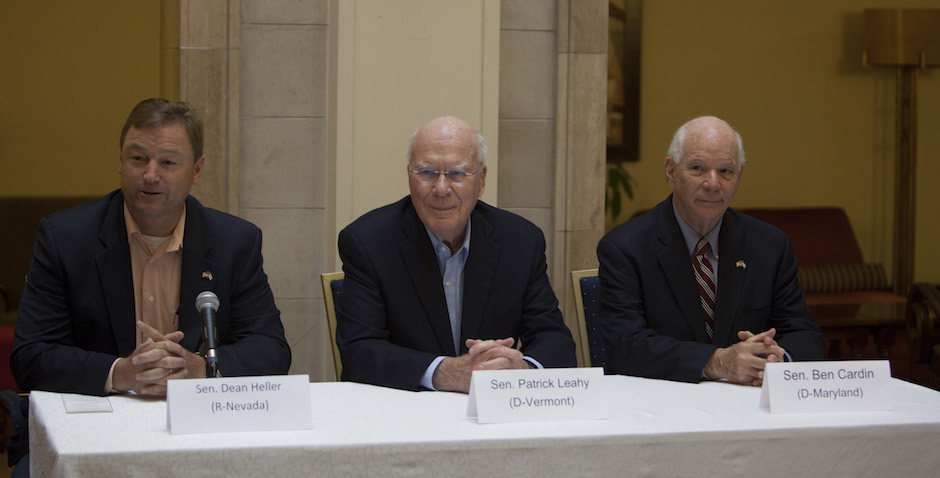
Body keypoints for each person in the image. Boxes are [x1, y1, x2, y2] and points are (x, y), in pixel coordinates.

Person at [11, 98, 291, 397]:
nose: (151, 175)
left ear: (197, 170)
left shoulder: (235, 242)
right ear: (120, 162)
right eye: (138, 158)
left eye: (168, 162)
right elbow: (31, 356)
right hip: (102, 414)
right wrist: (121, 372)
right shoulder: (66, 239)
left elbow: (271, 350)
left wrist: (200, 370)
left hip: (198, 411)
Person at [336, 115, 576, 393]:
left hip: (492, 408)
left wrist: (521, 370)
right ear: (410, 177)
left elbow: (554, 341)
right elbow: (359, 352)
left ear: (481, 180)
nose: (441, 189)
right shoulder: (368, 242)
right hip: (404, 407)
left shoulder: (520, 241)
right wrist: (445, 372)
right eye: (426, 172)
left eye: (457, 174)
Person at [597, 115, 823, 386]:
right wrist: (716, 361)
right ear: (671, 171)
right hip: (664, 400)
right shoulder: (625, 247)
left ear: (739, 176)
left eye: (725, 171)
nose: (713, 184)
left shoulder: (770, 245)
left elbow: (804, 334)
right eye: (698, 168)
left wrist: (779, 360)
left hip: (749, 400)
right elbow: (625, 346)